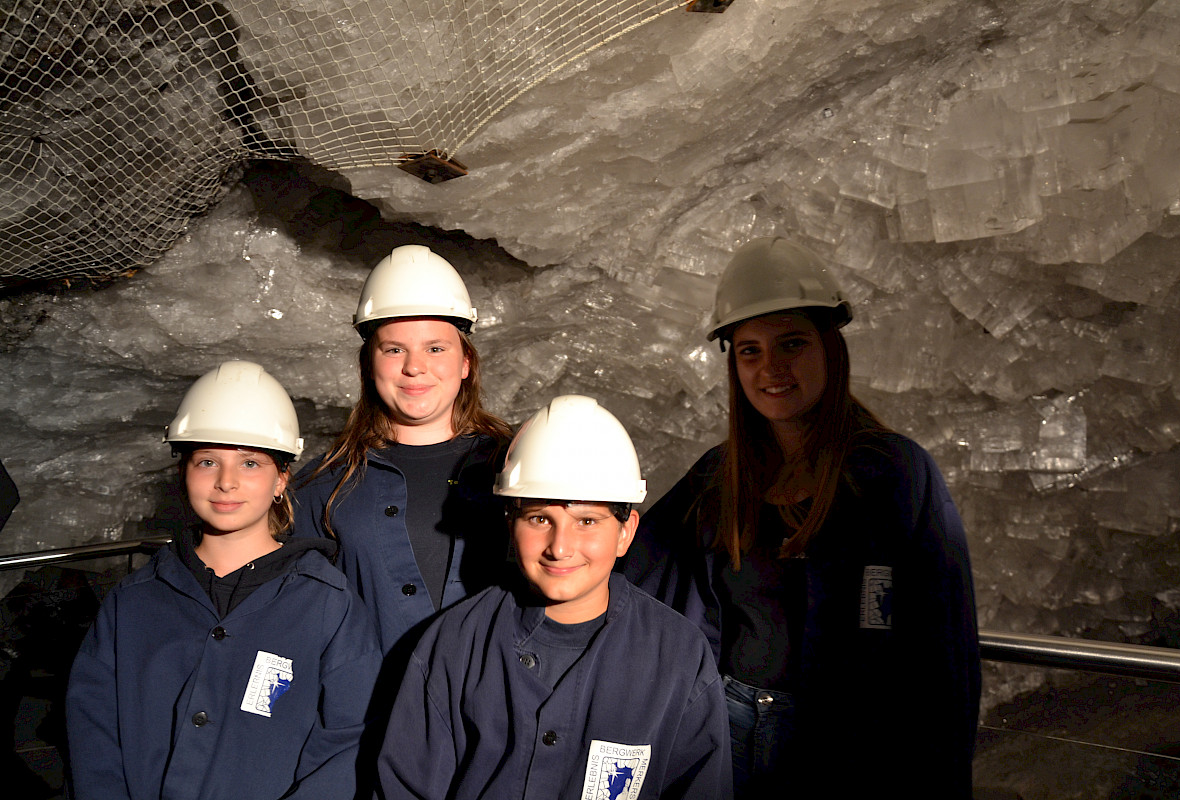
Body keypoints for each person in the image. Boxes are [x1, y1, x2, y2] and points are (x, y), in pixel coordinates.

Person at [622, 237, 981, 797]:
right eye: (750, 351)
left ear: (830, 349)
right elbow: (629, 565)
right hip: (731, 727)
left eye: (791, 344)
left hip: (848, 741)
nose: (772, 368)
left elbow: (943, 647)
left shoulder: (893, 474)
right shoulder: (720, 476)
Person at [377, 395, 732, 800]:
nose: (560, 547)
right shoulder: (456, 642)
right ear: (510, 524)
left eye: (587, 521)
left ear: (626, 531)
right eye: (540, 518)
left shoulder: (678, 654)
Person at [66, 360, 381, 800]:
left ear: (281, 479)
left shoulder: (329, 605)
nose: (226, 482)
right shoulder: (133, 602)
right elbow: (93, 731)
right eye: (208, 461)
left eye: (250, 463)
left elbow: (348, 741)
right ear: (183, 472)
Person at [292, 245, 511, 660]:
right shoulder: (325, 484)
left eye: (435, 348)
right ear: (369, 365)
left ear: (466, 362)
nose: (414, 367)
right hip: (371, 718)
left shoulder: (516, 466)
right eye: (394, 349)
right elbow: (299, 623)